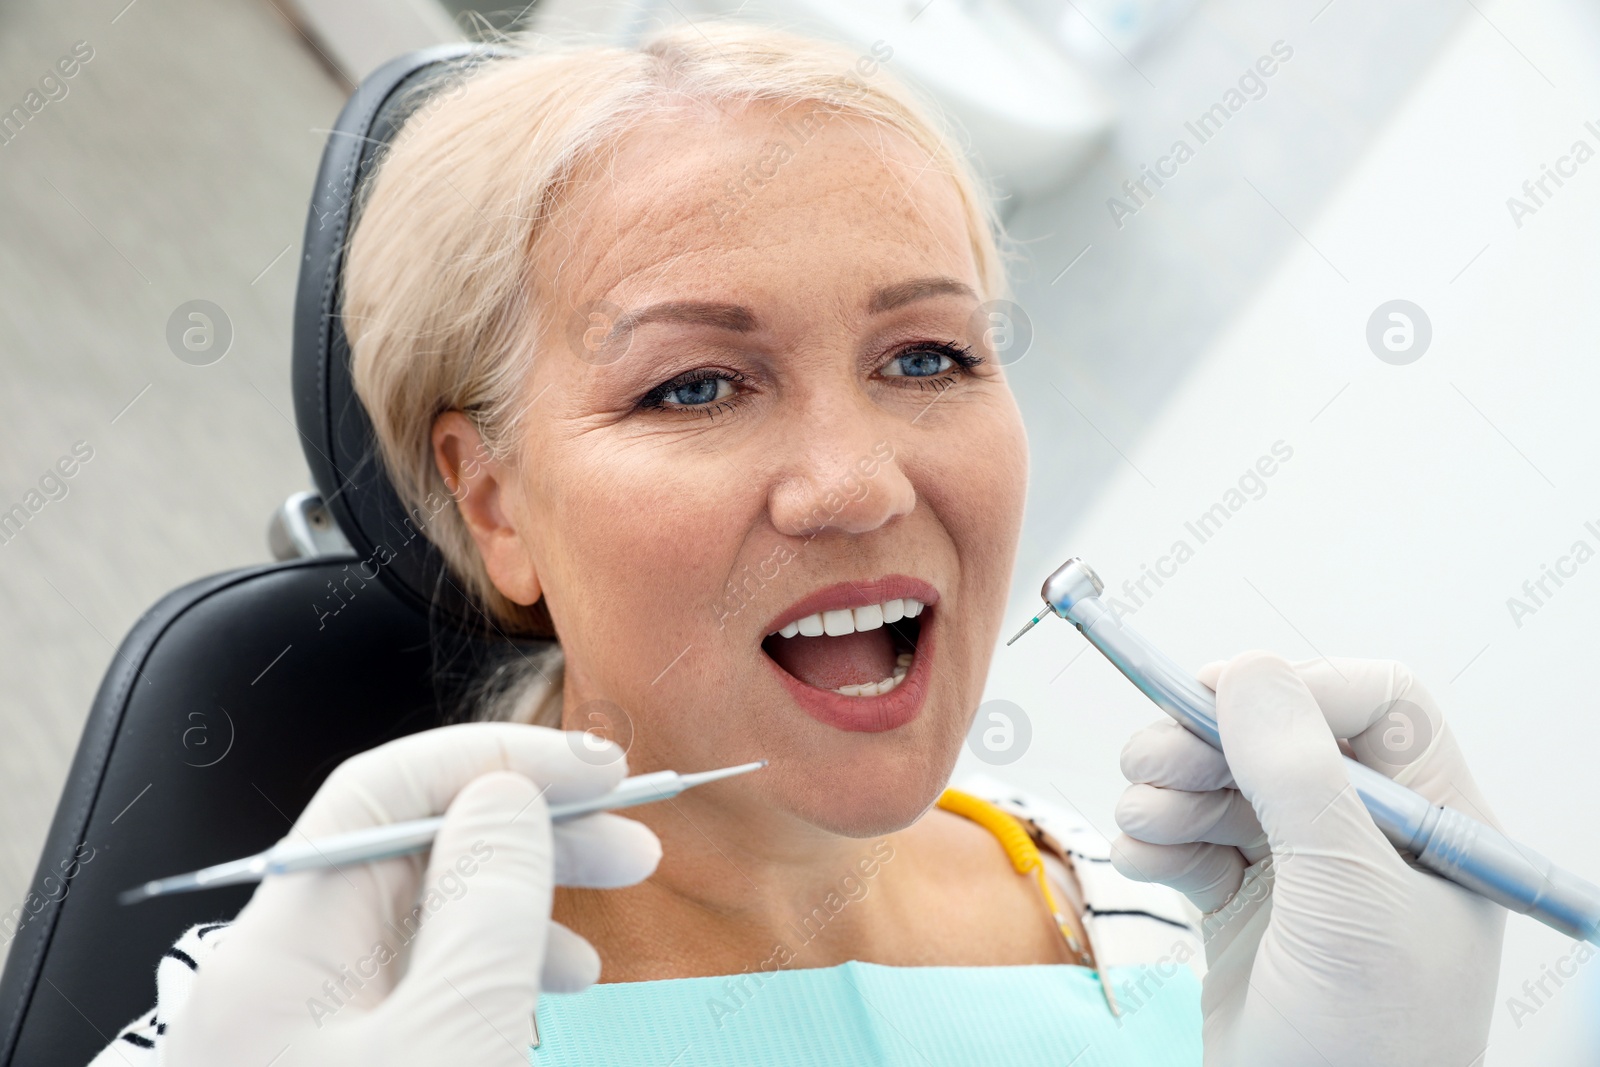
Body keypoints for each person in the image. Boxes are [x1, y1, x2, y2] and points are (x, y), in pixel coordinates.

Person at [90, 22, 1503, 1067]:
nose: (857, 483)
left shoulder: (1163, 938)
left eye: (931, 357)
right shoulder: (314, 1009)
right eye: (693, 385)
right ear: (494, 501)